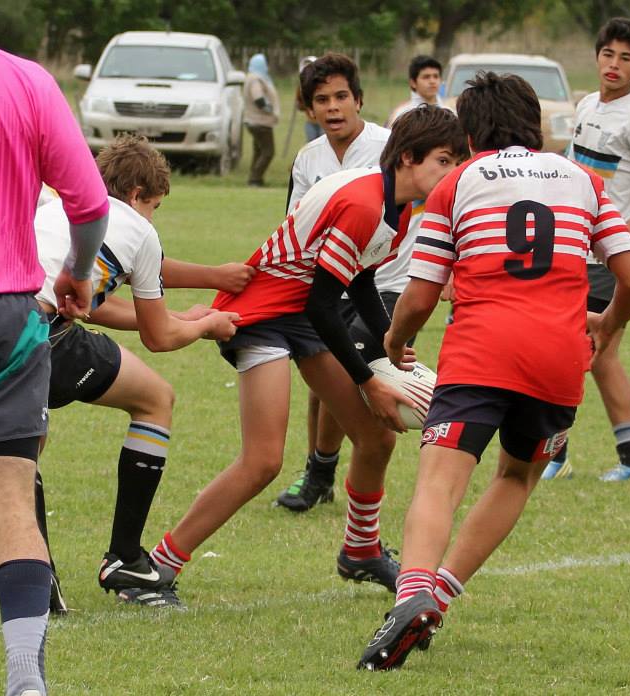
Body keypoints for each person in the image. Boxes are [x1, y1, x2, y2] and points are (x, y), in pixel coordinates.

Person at [355, 72, 630, 671]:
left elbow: (417, 296)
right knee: (516, 477)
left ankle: (411, 594)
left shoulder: (458, 182)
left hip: (481, 351)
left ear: (469, 130)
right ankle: (440, 595)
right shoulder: (586, 182)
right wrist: (606, 322)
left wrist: (395, 340)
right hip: (558, 359)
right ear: (535, 124)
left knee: (440, 480)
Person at [147, 107, 469, 597]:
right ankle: (157, 566)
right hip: (263, 314)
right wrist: (369, 380)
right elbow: (323, 303)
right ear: (408, 157)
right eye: (445, 160)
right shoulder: (365, 203)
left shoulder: (398, 209)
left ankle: (360, 550)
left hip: (303, 312)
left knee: (376, 440)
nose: (452, 173)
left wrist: (389, 344)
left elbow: (359, 279)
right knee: (263, 460)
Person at [0, 136, 243, 611]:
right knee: (152, 399)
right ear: (138, 194)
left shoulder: (61, 205)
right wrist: (205, 325)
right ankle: (119, 559)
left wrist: (204, 291)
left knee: (19, 439)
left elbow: (96, 301)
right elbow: (156, 333)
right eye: (154, 206)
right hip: (35, 332)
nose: (152, 217)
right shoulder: (139, 230)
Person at [0, 1, 110, 693]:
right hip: (10, 317)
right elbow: (90, 206)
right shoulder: (28, 80)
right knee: (10, 506)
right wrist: (76, 271)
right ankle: (24, 684)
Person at [543, 17, 630, 483]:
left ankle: (559, 455)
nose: (614, 65)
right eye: (608, 55)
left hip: (614, 260)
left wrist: (619, 238)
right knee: (596, 355)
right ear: (597, 57)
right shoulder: (585, 106)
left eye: (625, 58)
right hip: (581, 251)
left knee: (576, 352)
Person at [273, 52, 392, 512]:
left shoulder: (388, 147)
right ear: (309, 109)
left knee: (346, 373)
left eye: (342, 96)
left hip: (384, 283)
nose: (333, 107)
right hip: (325, 284)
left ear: (358, 100)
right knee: (322, 380)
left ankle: (322, 472)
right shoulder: (308, 158)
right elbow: (294, 224)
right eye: (322, 99)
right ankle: (319, 473)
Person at [243, 53, 280, 187]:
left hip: (254, 120)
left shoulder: (251, 77)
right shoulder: (255, 79)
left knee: (258, 151)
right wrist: (269, 109)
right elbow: (258, 99)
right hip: (260, 121)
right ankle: (255, 178)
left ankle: (255, 178)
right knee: (268, 152)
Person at [386, 55, 448, 127]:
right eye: (426, 77)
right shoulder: (402, 114)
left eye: (436, 76)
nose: (432, 81)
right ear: (413, 83)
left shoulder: (449, 113)